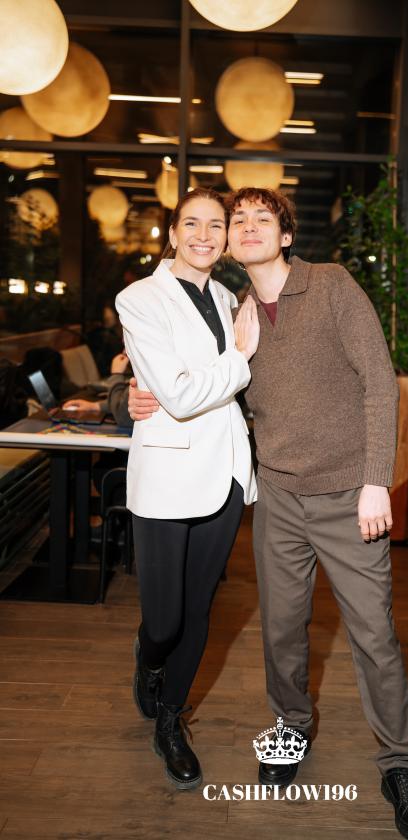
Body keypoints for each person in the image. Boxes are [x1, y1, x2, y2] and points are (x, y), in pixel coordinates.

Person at [128, 188, 408, 840]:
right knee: (282, 632)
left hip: (347, 495)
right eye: (236, 220)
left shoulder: (331, 286)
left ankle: (399, 765)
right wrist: (130, 394)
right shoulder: (233, 307)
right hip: (277, 496)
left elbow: (379, 383)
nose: (245, 227)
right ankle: (291, 728)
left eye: (259, 218)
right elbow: (185, 374)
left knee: (374, 636)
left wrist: (375, 482)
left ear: (286, 234)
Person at [114, 187, 259, 791]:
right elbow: (174, 394)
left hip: (225, 473)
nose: (204, 235)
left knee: (199, 610)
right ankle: (148, 659)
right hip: (168, 476)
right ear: (172, 233)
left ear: (225, 238)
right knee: (164, 621)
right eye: (191, 224)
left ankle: (171, 721)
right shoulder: (139, 298)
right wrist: (241, 357)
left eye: (216, 225)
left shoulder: (228, 297)